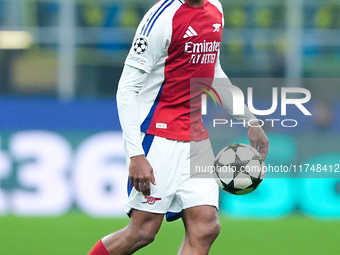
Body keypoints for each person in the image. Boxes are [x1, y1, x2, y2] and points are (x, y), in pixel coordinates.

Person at [88, 0, 269, 254]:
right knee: (142, 231)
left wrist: (250, 120)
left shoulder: (215, 9)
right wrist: (136, 154)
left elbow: (213, 71)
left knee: (205, 228)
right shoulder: (162, 17)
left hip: (195, 136)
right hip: (157, 133)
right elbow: (127, 89)